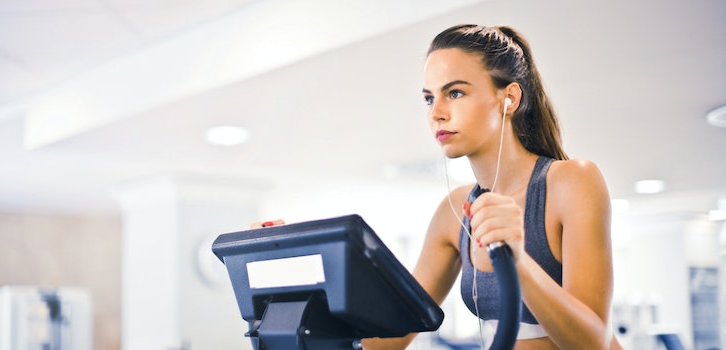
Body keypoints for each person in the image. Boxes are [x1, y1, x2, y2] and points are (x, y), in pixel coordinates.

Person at [254, 24, 620, 349]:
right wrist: (288, 277)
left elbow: (593, 342)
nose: (436, 113)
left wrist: (518, 259)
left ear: (508, 98)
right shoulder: (455, 210)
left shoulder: (570, 182)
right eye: (429, 98)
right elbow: (394, 336)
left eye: (455, 93)